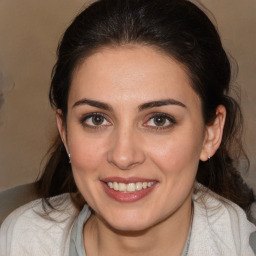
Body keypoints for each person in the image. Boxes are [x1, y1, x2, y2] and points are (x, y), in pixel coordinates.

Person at [0, 0, 256, 255]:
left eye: (159, 120)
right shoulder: (20, 242)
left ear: (210, 134)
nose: (123, 156)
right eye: (97, 119)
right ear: (65, 133)